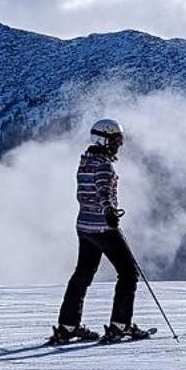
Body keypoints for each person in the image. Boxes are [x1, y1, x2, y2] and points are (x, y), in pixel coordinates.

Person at [50, 118, 150, 345]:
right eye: (116, 140)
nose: (119, 144)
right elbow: (103, 190)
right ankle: (120, 325)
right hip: (103, 227)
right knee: (128, 273)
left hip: (84, 226)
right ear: (103, 139)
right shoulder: (104, 164)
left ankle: (68, 326)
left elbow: (89, 191)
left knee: (82, 275)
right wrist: (109, 211)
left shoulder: (85, 162)